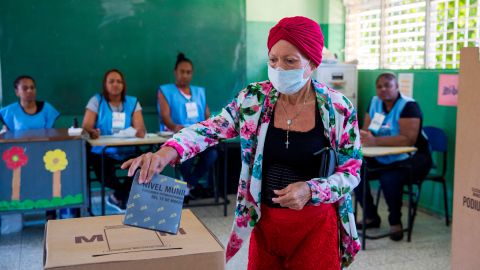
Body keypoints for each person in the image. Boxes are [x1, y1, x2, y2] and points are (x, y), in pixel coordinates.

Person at [122, 16, 362, 269]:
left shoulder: (337, 109)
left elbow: (352, 171)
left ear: (313, 63)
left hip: (315, 226)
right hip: (266, 224)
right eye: (273, 60)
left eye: (290, 61)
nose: (279, 68)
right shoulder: (254, 99)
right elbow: (211, 128)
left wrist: (312, 190)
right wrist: (166, 153)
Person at [354, 73, 432, 241]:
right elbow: (368, 131)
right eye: (379, 86)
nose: (383, 89)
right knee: (355, 169)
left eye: (388, 85)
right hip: (384, 154)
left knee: (389, 177)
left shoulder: (409, 106)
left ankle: (395, 222)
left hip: (415, 156)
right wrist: (365, 136)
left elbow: (408, 139)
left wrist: (375, 141)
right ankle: (370, 216)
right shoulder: (375, 102)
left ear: (397, 87)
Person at [82, 69, 146, 211]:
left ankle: (117, 196)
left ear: (123, 85)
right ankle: (123, 194)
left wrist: (139, 131)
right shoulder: (96, 100)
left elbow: (141, 130)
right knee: (105, 176)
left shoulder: (132, 102)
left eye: (119, 81)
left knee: (141, 164)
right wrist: (92, 132)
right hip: (102, 151)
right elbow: (85, 128)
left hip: (127, 150)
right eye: (111, 81)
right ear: (105, 84)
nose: (115, 84)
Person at [0, 75, 61, 220]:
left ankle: (50, 213)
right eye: (25, 88)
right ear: (17, 92)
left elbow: (51, 134)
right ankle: (15, 213)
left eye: (32, 87)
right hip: (19, 158)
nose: (30, 91)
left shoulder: (47, 109)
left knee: (49, 180)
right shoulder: (9, 112)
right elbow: (6, 134)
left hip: (44, 155)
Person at [157, 53, 217, 198]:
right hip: (179, 137)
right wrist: (175, 127)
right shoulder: (165, 91)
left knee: (212, 154)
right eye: (182, 72)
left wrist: (211, 128)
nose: (185, 75)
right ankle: (186, 187)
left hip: (199, 137)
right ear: (175, 72)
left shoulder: (199, 92)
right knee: (186, 156)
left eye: (188, 72)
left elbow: (207, 115)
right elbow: (165, 116)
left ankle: (187, 185)